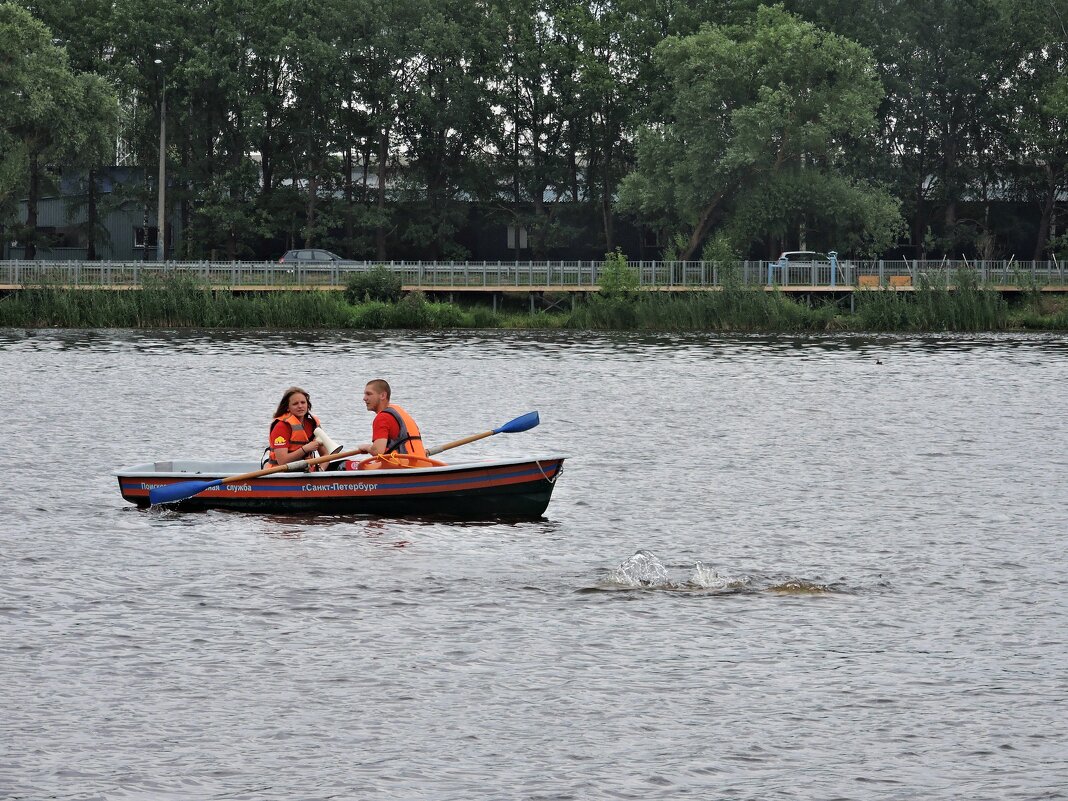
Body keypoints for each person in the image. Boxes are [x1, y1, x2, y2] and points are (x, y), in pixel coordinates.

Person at [354, 379, 427, 458]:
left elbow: (378, 451)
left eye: (369, 394)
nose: (364, 398)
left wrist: (367, 447)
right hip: (420, 460)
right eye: (365, 394)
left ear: (383, 396)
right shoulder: (399, 411)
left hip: (402, 464)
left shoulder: (382, 417)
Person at [263, 386, 325, 470]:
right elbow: (282, 461)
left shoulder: (313, 424)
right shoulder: (281, 426)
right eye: (295, 404)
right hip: (280, 472)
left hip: (306, 472)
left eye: (303, 402)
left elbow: (325, 455)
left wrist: (321, 470)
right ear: (287, 407)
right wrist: (305, 449)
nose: (300, 406)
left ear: (307, 405)